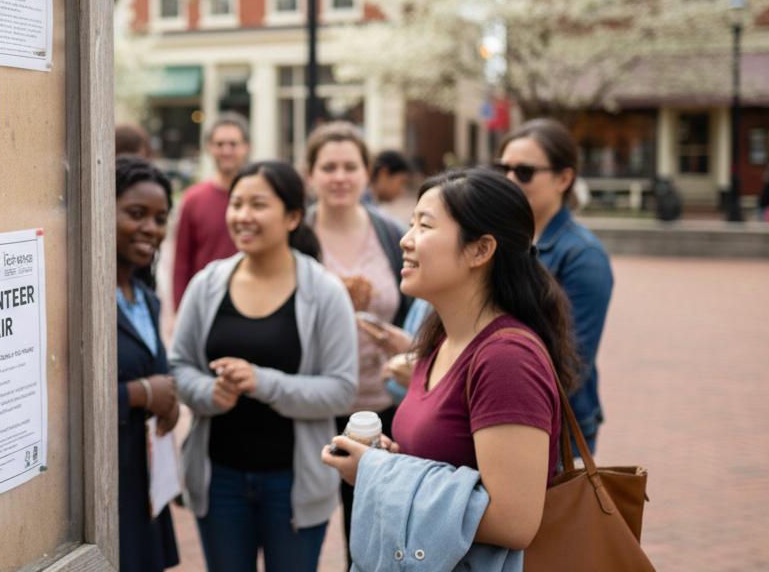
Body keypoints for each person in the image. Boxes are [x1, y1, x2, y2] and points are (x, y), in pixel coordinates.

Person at [322, 168, 580, 556]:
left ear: (480, 249)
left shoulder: (506, 360)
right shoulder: (441, 337)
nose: (406, 241)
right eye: (410, 224)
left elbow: (514, 522)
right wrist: (389, 462)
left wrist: (380, 476)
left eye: (425, 227)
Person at [171, 160, 358, 572]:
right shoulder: (207, 285)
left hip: (292, 485)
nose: (243, 216)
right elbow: (180, 365)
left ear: (293, 216)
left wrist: (263, 382)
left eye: (258, 205)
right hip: (218, 480)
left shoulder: (325, 292)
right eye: (236, 204)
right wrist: (209, 393)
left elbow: (342, 389)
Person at [301, 123, 412, 566]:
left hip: (383, 406)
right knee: (302, 523)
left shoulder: (390, 233)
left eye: (350, 166)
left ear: (367, 173)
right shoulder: (296, 235)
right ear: (310, 175)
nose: (340, 176)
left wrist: (403, 345)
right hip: (314, 403)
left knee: (370, 532)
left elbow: (416, 308)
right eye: (328, 167)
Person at [497, 118, 612, 452]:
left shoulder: (583, 256)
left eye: (524, 172)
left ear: (564, 178)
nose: (509, 180)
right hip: (503, 416)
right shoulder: (503, 241)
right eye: (502, 168)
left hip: (557, 430)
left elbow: (571, 363)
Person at [115, 156, 180, 572]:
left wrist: (168, 393)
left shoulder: (146, 298)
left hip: (145, 477)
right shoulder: (81, 298)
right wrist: (141, 394)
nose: (151, 229)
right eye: (136, 214)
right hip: (105, 485)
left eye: (159, 218)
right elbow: (59, 397)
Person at [172, 112, 251, 309]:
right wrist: (180, 308)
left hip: (254, 301)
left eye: (233, 144)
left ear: (247, 147)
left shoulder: (261, 198)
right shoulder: (193, 199)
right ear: (209, 147)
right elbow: (182, 260)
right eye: (219, 144)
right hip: (205, 304)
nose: (226, 151)